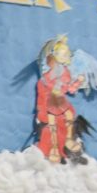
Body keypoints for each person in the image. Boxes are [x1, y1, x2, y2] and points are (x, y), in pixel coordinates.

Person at [35, 35, 86, 164]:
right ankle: (54, 148)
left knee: (69, 116)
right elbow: (45, 84)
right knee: (52, 124)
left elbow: (69, 88)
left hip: (61, 102)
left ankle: (68, 139)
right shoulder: (49, 74)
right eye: (61, 54)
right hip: (51, 102)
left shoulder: (66, 73)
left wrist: (78, 82)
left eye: (65, 54)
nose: (64, 57)